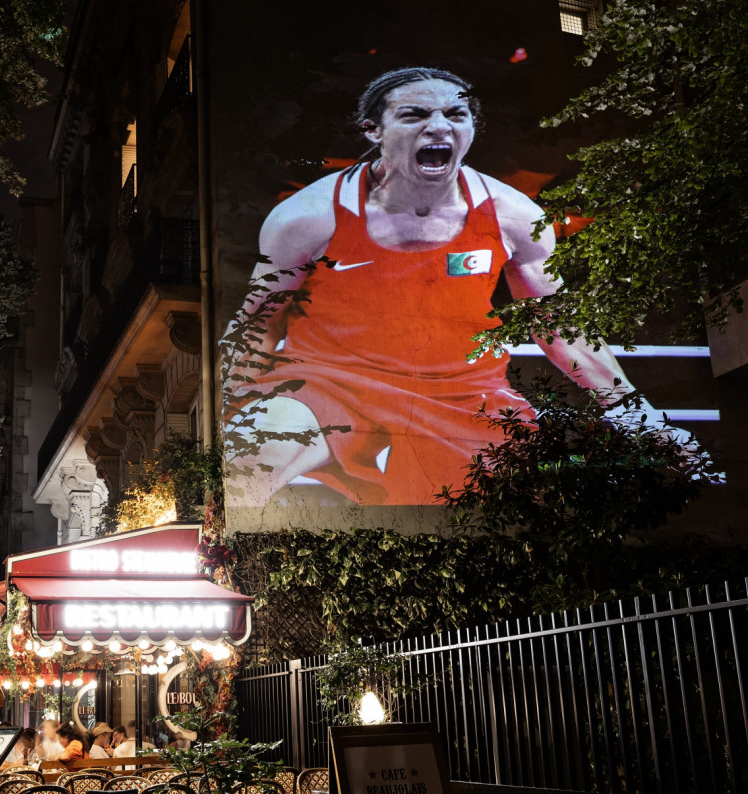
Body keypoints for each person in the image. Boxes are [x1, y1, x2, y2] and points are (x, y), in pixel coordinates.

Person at [225, 66, 691, 507]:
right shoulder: (307, 217)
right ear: (374, 131)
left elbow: (555, 322)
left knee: (517, 513)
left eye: (455, 114)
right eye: (415, 114)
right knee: (248, 455)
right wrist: (230, 420)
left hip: (464, 392)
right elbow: (256, 325)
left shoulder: (514, 216)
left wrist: (637, 415)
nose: (438, 127)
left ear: (470, 129)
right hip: (330, 381)